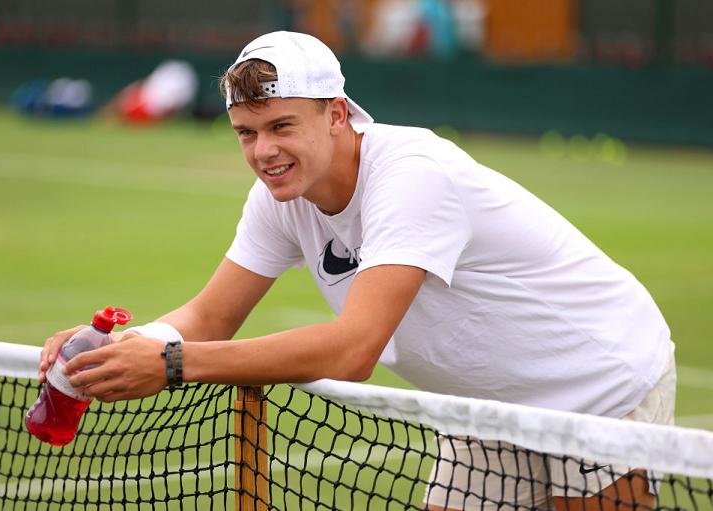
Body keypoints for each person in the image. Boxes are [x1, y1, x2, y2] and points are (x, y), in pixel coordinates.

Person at [38, 31, 676, 510]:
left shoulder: (411, 176)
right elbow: (209, 316)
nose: (263, 151)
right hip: (483, 404)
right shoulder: (277, 200)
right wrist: (116, 347)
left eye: (281, 125)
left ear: (336, 114)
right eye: (246, 132)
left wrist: (173, 366)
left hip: (598, 383)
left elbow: (352, 349)